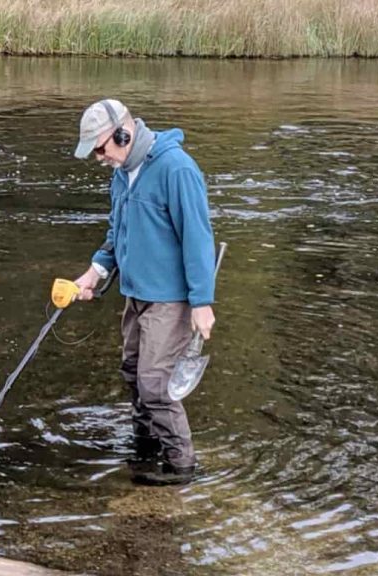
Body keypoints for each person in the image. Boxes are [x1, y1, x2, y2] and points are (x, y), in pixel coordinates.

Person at [71, 98, 216, 486]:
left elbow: (198, 240)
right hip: (136, 295)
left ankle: (182, 467)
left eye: (101, 149)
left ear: (124, 133)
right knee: (133, 373)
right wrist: (93, 273)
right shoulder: (122, 173)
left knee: (155, 384)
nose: (101, 158)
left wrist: (202, 303)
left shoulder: (177, 169)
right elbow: (116, 233)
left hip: (171, 299)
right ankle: (145, 448)